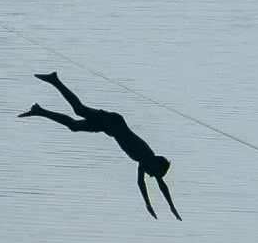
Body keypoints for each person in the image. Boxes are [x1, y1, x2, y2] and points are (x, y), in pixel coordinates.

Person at [20, 72, 180, 219]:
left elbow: (160, 183)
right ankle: (54, 81)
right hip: (112, 122)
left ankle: (39, 110)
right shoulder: (145, 157)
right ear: (155, 163)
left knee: (74, 126)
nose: (150, 174)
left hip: (108, 127)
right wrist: (149, 204)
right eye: (152, 172)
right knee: (79, 110)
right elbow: (144, 183)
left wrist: (170, 207)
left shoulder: (145, 161)